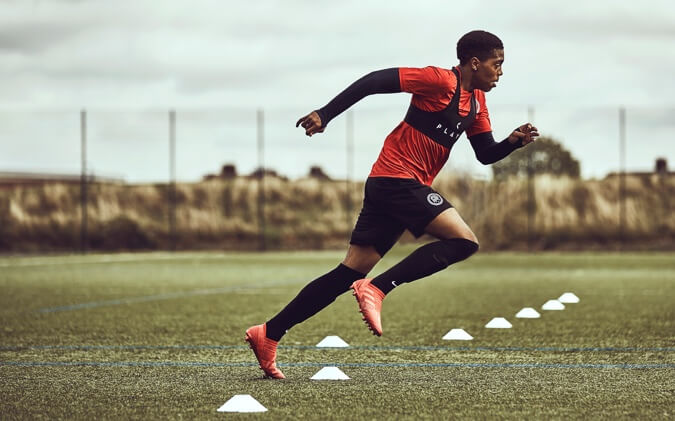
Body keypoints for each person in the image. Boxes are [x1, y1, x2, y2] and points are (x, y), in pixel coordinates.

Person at [245, 30, 539, 379]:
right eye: (497, 64)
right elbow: (373, 81)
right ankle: (377, 288)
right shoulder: (438, 81)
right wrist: (325, 114)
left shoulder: (477, 103)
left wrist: (512, 142)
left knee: (348, 273)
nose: (500, 72)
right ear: (475, 63)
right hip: (396, 180)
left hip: (391, 185)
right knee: (464, 241)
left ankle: (269, 333)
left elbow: (486, 153)